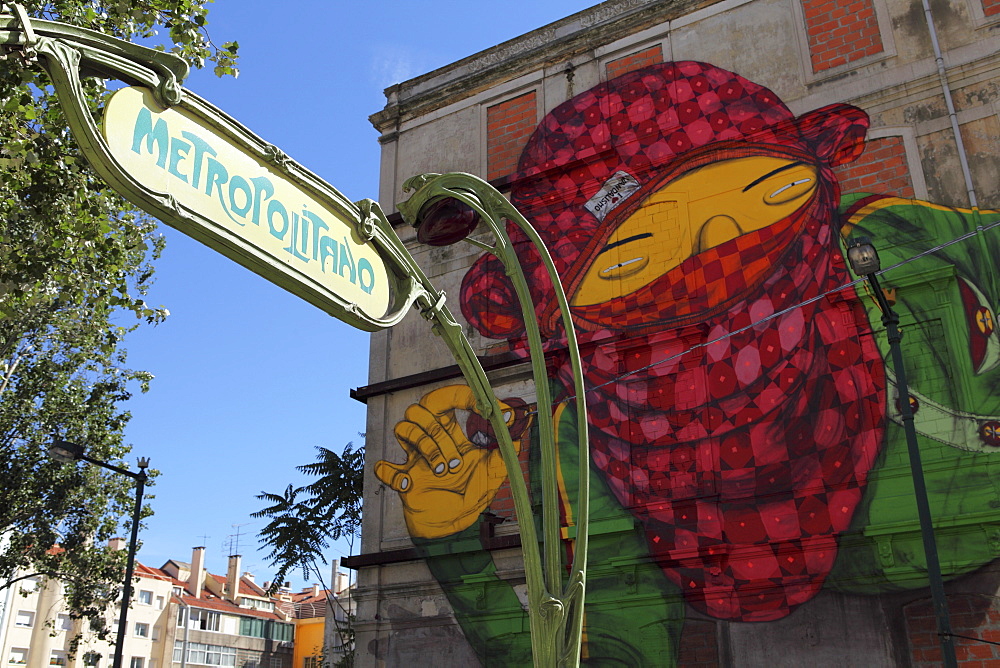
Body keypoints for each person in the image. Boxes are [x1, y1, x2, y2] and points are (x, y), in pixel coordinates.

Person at [374, 61, 1000, 665]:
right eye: (634, 255)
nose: (721, 243)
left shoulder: (889, 247)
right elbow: (603, 653)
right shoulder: (590, 446)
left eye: (771, 193)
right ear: (566, 311)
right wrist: (452, 540)